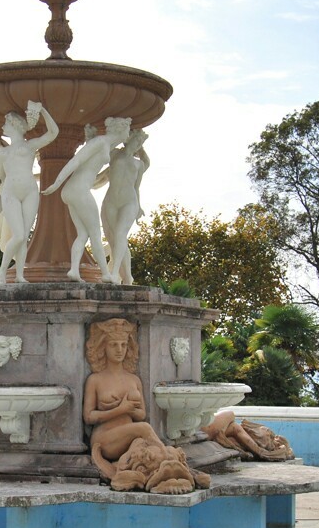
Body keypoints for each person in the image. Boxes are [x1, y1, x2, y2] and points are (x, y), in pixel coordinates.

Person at [82, 317, 209, 493]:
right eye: (114, 345)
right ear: (103, 347)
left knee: (145, 447)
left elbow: (141, 413)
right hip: (105, 439)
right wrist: (121, 409)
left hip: (132, 437)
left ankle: (164, 471)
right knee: (144, 429)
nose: (120, 350)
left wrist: (130, 410)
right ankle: (174, 464)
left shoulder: (133, 379)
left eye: (123, 345)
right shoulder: (95, 380)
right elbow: (88, 417)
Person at [42, 117, 133, 283]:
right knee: (95, 234)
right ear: (121, 128)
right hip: (79, 190)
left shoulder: (105, 143)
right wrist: (56, 182)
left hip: (73, 190)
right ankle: (105, 274)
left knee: (83, 234)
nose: (129, 132)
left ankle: (74, 270)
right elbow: (77, 160)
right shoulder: (100, 142)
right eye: (128, 128)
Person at [0, 101, 58, 284]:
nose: (2, 126)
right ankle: (2, 272)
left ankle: (20, 275)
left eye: (6, 123)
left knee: (23, 237)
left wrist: (43, 110)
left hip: (30, 191)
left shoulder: (29, 145)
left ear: (14, 125)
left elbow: (53, 133)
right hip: (11, 193)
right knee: (19, 235)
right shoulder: (3, 152)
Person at [97, 129, 149, 285]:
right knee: (113, 240)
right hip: (111, 201)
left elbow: (136, 187)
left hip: (129, 202)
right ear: (128, 139)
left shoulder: (139, 164)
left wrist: (139, 206)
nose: (138, 144)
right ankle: (127, 277)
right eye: (136, 140)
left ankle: (114, 274)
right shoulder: (114, 155)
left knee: (120, 234)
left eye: (140, 142)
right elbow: (103, 147)